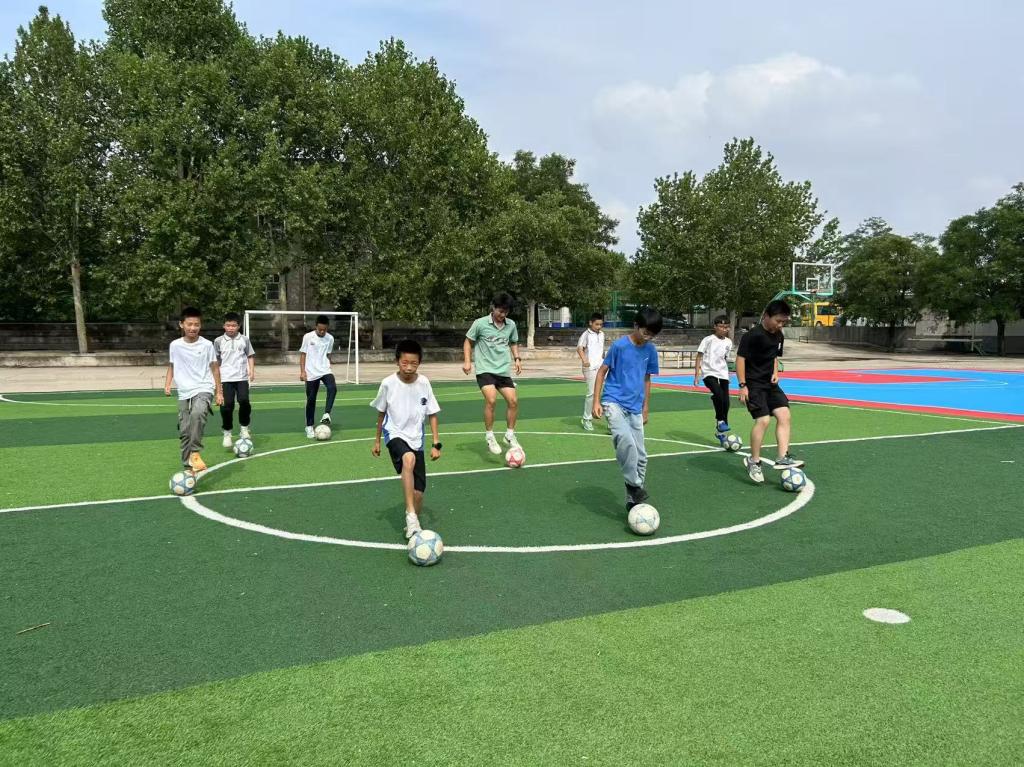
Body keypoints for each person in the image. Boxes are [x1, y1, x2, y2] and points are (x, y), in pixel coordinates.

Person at [592, 307, 662, 512]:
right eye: (646, 332)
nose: (648, 337)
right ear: (636, 326)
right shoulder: (620, 346)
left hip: (635, 407)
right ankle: (634, 485)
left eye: (652, 335)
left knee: (641, 457)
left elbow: (647, 379)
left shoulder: (650, 350)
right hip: (613, 401)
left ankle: (633, 499)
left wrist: (646, 407)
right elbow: (601, 372)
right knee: (625, 439)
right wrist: (596, 402)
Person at [371, 340, 442, 539]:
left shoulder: (424, 383)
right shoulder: (388, 383)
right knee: (408, 459)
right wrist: (377, 441)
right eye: (405, 363)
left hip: (416, 438)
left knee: (418, 493)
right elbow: (381, 413)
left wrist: (436, 444)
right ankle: (410, 515)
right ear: (397, 361)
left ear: (419, 363)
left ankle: (413, 527)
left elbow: (432, 413)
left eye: (414, 363)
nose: (409, 367)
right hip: (394, 433)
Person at [735, 299, 805, 484]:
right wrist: (742, 385)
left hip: (770, 384)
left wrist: (775, 372)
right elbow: (740, 359)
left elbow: (774, 356)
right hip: (753, 385)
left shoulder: (779, 335)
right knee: (764, 420)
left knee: (785, 415)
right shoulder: (752, 336)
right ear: (766, 316)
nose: (780, 325)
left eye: (784, 322)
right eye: (778, 321)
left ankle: (782, 457)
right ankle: (754, 461)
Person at [164, 306, 223, 473]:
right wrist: (167, 384)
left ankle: (195, 452)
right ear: (181, 324)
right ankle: (188, 467)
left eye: (196, 324)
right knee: (185, 431)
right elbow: (172, 365)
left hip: (204, 387)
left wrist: (219, 392)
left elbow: (215, 368)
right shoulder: (175, 345)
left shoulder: (207, 345)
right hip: (184, 390)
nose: (193, 328)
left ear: (200, 325)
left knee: (198, 413)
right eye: (189, 324)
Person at [462, 292, 522, 455]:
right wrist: (467, 361)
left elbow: (513, 342)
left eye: (506, 312)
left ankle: (509, 435)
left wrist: (517, 358)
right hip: (485, 369)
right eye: (500, 311)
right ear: (493, 308)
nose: (503, 315)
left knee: (513, 401)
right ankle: (489, 436)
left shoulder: (511, 325)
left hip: (503, 370)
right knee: (491, 400)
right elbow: (468, 341)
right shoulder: (480, 323)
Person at [214, 312, 255, 448]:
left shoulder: (244, 339)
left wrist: (251, 370)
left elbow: (250, 355)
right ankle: (227, 432)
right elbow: (216, 361)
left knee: (244, 401)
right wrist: (216, 378)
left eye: (233, 325)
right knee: (227, 406)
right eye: (228, 325)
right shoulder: (218, 341)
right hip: (225, 378)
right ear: (224, 326)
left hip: (241, 377)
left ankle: (244, 427)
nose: (231, 328)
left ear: (238, 326)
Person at [693, 315, 733, 446]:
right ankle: (720, 421)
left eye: (726, 327)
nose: (724, 329)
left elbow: (725, 359)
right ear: (715, 327)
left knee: (726, 401)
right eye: (721, 326)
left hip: (723, 374)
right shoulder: (708, 340)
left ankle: (721, 431)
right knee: (719, 395)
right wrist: (697, 375)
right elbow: (699, 356)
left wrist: (728, 374)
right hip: (709, 373)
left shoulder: (728, 342)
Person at [299, 315, 336, 438]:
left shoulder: (330, 338)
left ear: (327, 328)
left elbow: (328, 354)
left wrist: (328, 365)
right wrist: (302, 372)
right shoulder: (308, 337)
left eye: (324, 330)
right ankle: (309, 426)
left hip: (325, 370)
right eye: (320, 329)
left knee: (332, 388)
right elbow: (303, 355)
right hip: (311, 372)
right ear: (316, 326)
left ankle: (326, 414)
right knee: (311, 399)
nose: (322, 332)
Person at [576, 313, 605, 432]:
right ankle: (587, 419)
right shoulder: (586, 334)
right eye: (597, 324)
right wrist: (585, 360)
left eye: (601, 324)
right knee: (591, 393)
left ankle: (611, 421)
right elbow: (580, 348)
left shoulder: (602, 334)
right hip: (590, 368)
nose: (599, 327)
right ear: (590, 323)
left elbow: (601, 350)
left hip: (601, 367)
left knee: (606, 392)